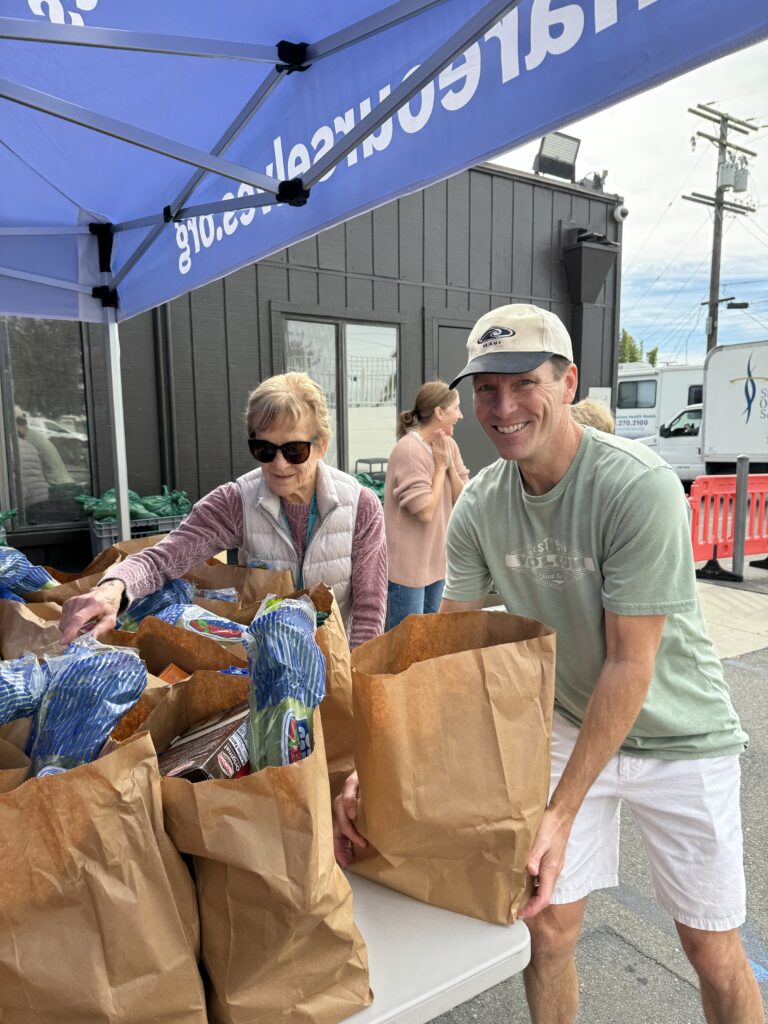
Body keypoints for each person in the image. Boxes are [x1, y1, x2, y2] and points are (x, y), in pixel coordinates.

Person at [333, 305, 761, 1024]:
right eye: (487, 390)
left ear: (567, 383)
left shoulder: (636, 486)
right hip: (568, 720)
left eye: (523, 384)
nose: (503, 408)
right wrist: (370, 766)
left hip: (680, 735)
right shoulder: (482, 508)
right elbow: (447, 653)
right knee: (548, 930)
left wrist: (558, 814)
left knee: (712, 951)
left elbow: (631, 664)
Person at [59, 372, 387, 649]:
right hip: (266, 662)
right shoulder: (236, 502)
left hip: (337, 659)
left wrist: (351, 677)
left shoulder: (359, 506)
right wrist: (113, 588)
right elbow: (162, 559)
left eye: (294, 450)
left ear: (322, 445)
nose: (279, 464)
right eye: (264, 449)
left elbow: (370, 607)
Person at [383, 381, 469, 629]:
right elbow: (425, 511)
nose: (460, 415)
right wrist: (440, 467)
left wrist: (449, 463)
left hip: (437, 565)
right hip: (407, 571)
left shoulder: (449, 445)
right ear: (439, 412)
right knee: (404, 645)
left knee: (428, 640)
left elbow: (463, 500)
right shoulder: (408, 451)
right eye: (456, 408)